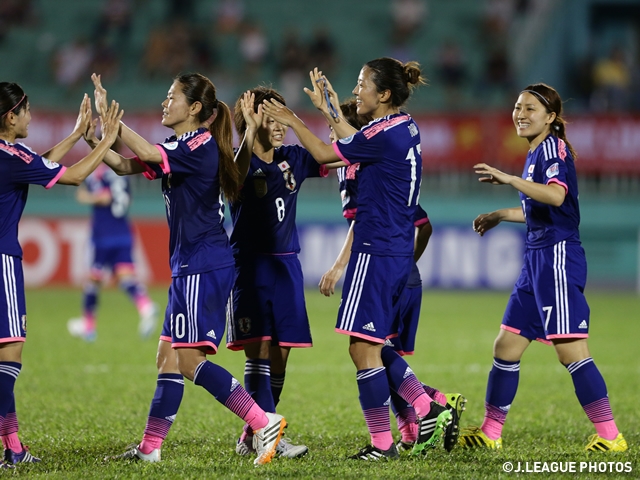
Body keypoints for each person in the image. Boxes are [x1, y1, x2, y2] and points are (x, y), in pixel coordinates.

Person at [90, 73, 289, 466]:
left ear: (195, 108)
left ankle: (262, 420)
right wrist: (92, 138)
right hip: (189, 264)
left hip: (203, 263)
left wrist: (115, 123)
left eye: (171, 97)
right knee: (168, 357)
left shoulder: (198, 145)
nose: (165, 103)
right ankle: (150, 448)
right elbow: (125, 166)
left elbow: (145, 152)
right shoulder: (181, 145)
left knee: (188, 361)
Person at [262, 59, 453, 460]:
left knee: (362, 349)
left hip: (376, 247)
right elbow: (353, 137)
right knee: (371, 344)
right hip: (397, 247)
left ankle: (411, 418)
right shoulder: (403, 126)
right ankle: (419, 408)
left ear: (383, 94)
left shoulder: (382, 135)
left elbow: (324, 151)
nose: (357, 90)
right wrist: (329, 110)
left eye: (363, 83)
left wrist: (291, 118)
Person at [459, 83, 627, 452]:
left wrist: (510, 179)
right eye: (517, 107)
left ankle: (611, 437)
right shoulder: (536, 151)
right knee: (506, 346)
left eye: (530, 108)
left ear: (551, 117)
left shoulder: (552, 148)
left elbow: (556, 195)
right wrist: (502, 214)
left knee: (570, 350)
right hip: (536, 259)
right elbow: (541, 210)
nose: (520, 113)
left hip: (557, 259)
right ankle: (490, 432)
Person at [320, 99, 466, 454]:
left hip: (379, 262)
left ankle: (428, 405)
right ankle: (415, 427)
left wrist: (339, 265)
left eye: (335, 127)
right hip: (403, 269)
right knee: (382, 354)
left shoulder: (359, 167)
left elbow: (359, 218)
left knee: (367, 348)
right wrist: (408, 260)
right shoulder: (394, 159)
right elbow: (425, 225)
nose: (331, 134)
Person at [0, 82, 123, 468]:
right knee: (9, 354)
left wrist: (74, 133)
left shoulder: (9, 155)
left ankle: (14, 449)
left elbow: (37, 165)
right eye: (27, 110)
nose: (31, 116)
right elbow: (70, 177)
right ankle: (13, 450)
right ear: (11, 116)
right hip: (2, 260)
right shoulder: (10, 157)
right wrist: (105, 142)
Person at [227, 86, 328, 459]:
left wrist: (297, 121)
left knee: (282, 353)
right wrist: (250, 132)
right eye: (270, 118)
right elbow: (234, 180)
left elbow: (332, 157)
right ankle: (266, 431)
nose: (279, 125)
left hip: (287, 265)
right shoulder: (234, 160)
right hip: (250, 266)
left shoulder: (292, 158)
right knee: (260, 351)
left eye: (281, 115)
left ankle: (255, 430)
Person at [67, 160, 158, 342]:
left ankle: (88, 325)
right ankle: (146, 306)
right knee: (125, 277)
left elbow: (96, 196)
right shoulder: (122, 172)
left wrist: (89, 197)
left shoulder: (98, 172)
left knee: (93, 280)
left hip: (102, 234)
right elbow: (127, 199)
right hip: (123, 231)